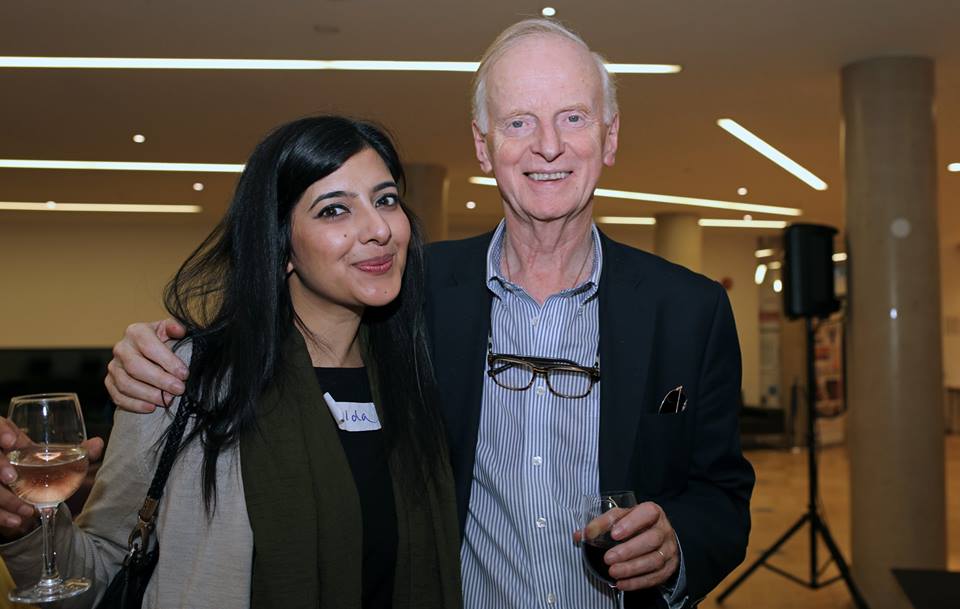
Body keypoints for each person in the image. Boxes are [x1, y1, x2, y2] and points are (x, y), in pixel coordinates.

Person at [100, 19, 754, 609]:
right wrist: (161, 353)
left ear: (609, 138)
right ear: (483, 145)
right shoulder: (410, 294)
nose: (549, 146)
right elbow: (286, 322)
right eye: (519, 122)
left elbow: (722, 494)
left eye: (574, 118)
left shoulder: (690, 311)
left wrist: (678, 543)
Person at [0, 116, 462, 609]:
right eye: (334, 210)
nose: (379, 229)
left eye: (386, 200)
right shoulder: (183, 380)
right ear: (281, 246)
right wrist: (29, 525)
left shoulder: (423, 373)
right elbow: (101, 568)